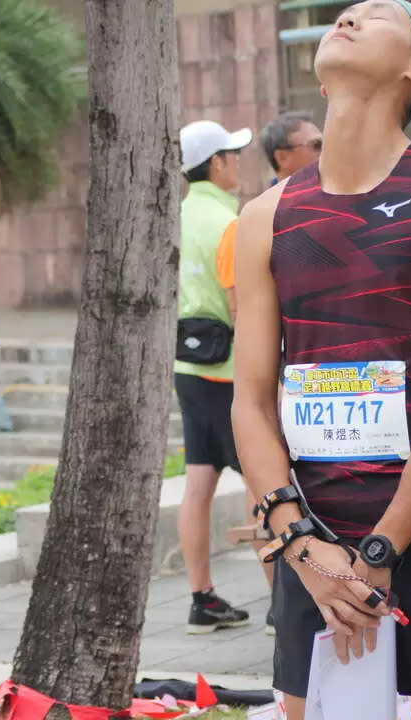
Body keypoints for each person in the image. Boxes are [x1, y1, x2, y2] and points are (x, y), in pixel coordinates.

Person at [232, 2, 411, 718]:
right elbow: (251, 399)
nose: (350, 17)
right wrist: (300, 548)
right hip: (311, 537)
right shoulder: (264, 214)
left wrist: (380, 553)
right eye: (345, 13)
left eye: (380, 15)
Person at [214, 111, 323, 634]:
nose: (321, 152)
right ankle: (286, 607)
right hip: (273, 390)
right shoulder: (258, 218)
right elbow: (243, 313)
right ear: (284, 156)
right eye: (313, 144)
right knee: (271, 507)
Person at [174, 120, 253, 634]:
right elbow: (239, 302)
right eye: (232, 153)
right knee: (263, 482)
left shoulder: (176, 213)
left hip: (190, 367)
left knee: (199, 480)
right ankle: (281, 606)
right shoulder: (228, 223)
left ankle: (201, 597)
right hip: (230, 372)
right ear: (215, 163)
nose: (238, 162)